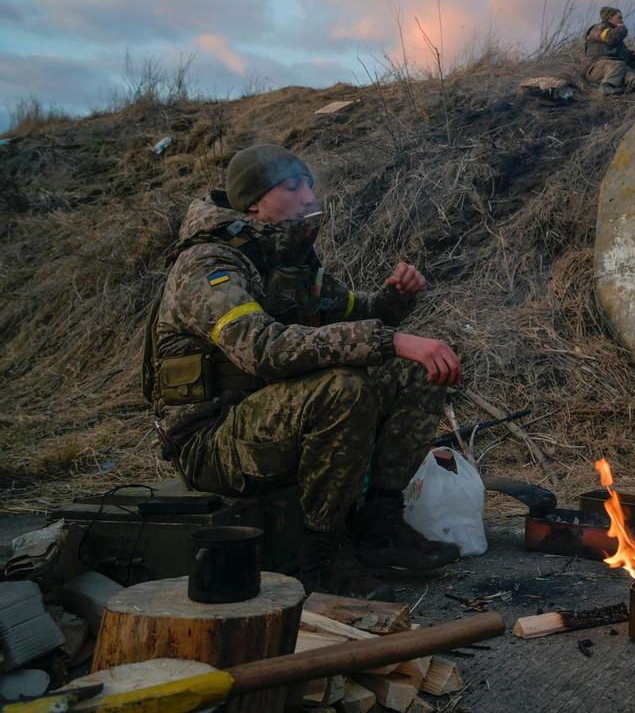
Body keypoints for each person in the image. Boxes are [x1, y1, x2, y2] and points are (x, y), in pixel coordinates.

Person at [144, 143, 462, 598]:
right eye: (293, 186)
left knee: (411, 373)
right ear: (255, 202)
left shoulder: (290, 260)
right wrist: (388, 338)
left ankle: (378, 530)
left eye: (309, 185)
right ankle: (319, 558)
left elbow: (355, 313)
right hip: (211, 441)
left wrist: (395, 300)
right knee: (343, 389)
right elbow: (262, 348)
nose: (309, 196)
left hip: (267, 419)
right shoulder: (210, 264)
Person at [583, 6, 635, 95]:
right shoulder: (598, 28)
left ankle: (632, 86)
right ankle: (606, 87)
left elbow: (625, 55)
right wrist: (622, 28)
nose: (622, 21)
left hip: (613, 68)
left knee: (631, 76)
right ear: (610, 17)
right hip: (595, 67)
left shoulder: (618, 39)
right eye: (619, 17)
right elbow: (610, 38)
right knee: (618, 64)